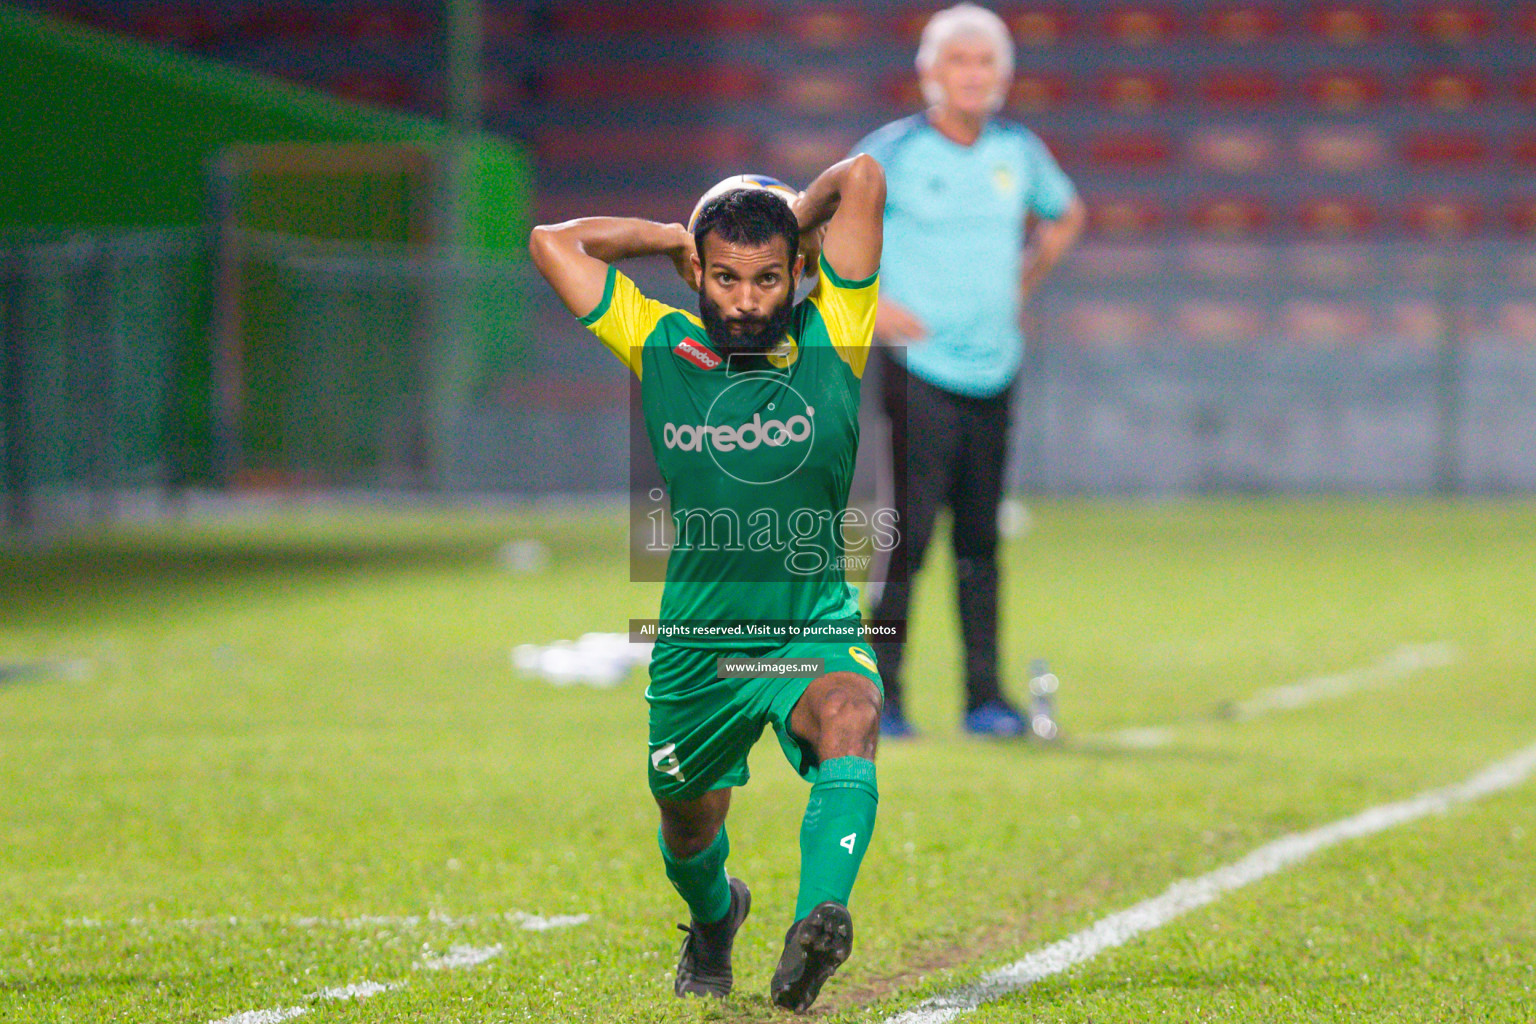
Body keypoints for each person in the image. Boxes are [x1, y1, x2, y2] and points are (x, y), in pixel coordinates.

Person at [528, 154, 886, 1013]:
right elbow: (552, 242)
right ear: (701, 272)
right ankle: (717, 917)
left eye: (768, 277)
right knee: (689, 823)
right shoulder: (657, 344)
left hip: (809, 627)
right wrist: (669, 237)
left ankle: (816, 924)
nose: (746, 300)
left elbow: (865, 177)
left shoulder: (837, 331)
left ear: (798, 269)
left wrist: (791, 215)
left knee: (853, 714)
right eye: (724, 277)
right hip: (697, 649)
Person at [852, 2, 1085, 739]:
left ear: (1003, 76)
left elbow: (1066, 214)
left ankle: (985, 698)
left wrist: (1025, 276)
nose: (974, 75)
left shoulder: (1017, 151)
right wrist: (871, 304)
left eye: (986, 63)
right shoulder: (893, 152)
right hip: (918, 369)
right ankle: (879, 697)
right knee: (908, 537)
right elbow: (825, 228)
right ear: (929, 72)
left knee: (980, 541)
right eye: (959, 61)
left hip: (995, 366)